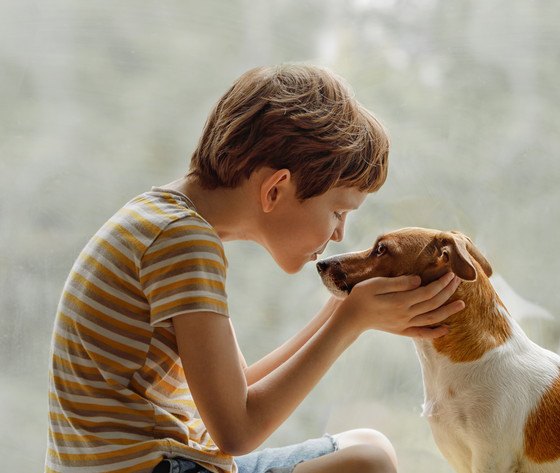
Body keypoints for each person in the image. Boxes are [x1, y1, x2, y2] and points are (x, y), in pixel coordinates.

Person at [45, 63, 465, 473]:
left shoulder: (162, 221)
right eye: (338, 212)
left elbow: (238, 389)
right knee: (368, 462)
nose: (339, 234)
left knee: (367, 447)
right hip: (157, 466)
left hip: (164, 459)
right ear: (276, 189)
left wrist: (341, 310)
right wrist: (349, 324)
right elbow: (236, 432)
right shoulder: (184, 243)